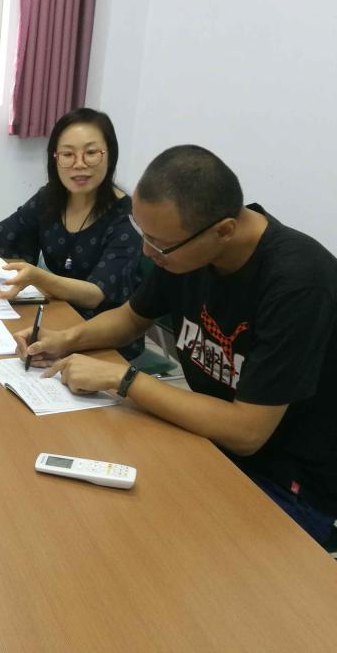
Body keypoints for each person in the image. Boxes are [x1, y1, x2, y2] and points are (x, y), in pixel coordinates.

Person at [19, 145, 337, 545]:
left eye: (159, 244)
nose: (147, 252)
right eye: (143, 234)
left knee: (146, 544)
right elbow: (131, 318)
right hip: (205, 439)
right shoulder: (187, 248)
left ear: (224, 231)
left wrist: (124, 379)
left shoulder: (298, 284)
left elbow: (247, 432)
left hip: (284, 481)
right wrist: (66, 339)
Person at [0, 108, 143, 357]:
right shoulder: (50, 198)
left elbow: (95, 294)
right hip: (57, 317)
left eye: (91, 153)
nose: (79, 164)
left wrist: (39, 278)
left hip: (103, 340)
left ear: (110, 155)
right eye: (67, 154)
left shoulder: (126, 218)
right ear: (55, 158)